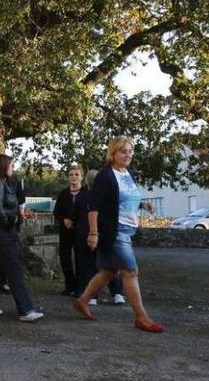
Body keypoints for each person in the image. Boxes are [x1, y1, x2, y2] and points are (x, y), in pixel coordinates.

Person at [73, 136, 163, 333]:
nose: (128, 154)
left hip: (126, 228)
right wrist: (94, 233)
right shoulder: (105, 175)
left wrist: (142, 204)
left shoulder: (127, 173)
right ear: (112, 153)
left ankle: (83, 301)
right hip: (114, 231)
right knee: (130, 271)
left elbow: (121, 198)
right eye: (123, 151)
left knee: (109, 271)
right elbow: (94, 206)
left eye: (130, 151)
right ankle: (141, 317)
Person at [0, 154, 44, 322]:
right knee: (13, 268)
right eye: (11, 165)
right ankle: (25, 309)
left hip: (3, 230)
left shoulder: (1, 183)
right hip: (2, 231)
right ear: (3, 166)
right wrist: (9, 220)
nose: (13, 168)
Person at [69, 163, 124, 306]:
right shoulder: (109, 198)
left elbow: (72, 218)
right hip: (105, 232)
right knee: (110, 264)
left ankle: (92, 296)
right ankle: (118, 293)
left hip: (84, 234)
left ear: (86, 181)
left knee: (88, 265)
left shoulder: (82, 197)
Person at [52, 166, 79, 296]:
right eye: (71, 174)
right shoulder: (63, 194)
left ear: (81, 177)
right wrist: (64, 220)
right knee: (65, 258)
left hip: (80, 231)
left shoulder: (86, 193)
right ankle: (70, 286)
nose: (74, 177)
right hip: (65, 231)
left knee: (81, 259)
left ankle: (81, 287)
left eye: (76, 174)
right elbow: (56, 212)